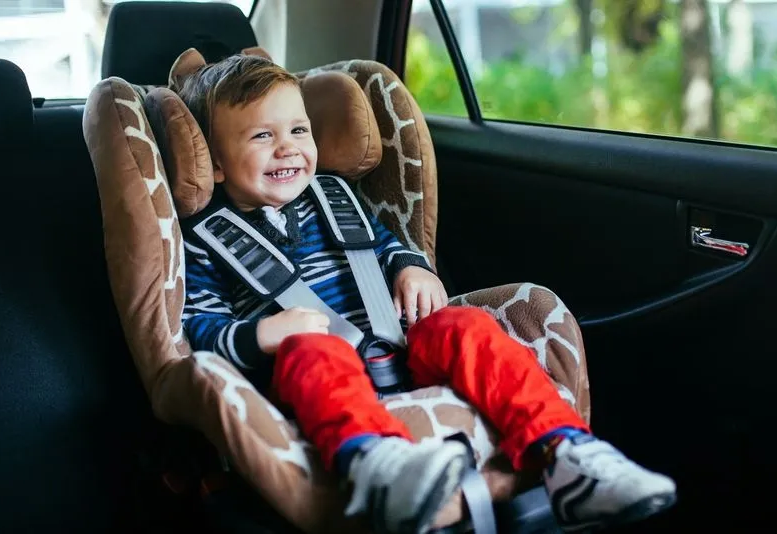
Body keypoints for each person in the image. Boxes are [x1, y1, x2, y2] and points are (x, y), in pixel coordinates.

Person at [175, 54, 676, 534]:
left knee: (463, 327)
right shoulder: (204, 240)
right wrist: (261, 334)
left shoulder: (334, 195)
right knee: (313, 350)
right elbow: (197, 326)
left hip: (396, 345)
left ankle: (565, 452)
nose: (288, 148)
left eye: (299, 130)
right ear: (217, 165)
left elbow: (385, 246)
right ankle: (381, 466)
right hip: (302, 374)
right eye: (263, 136)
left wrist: (413, 269)